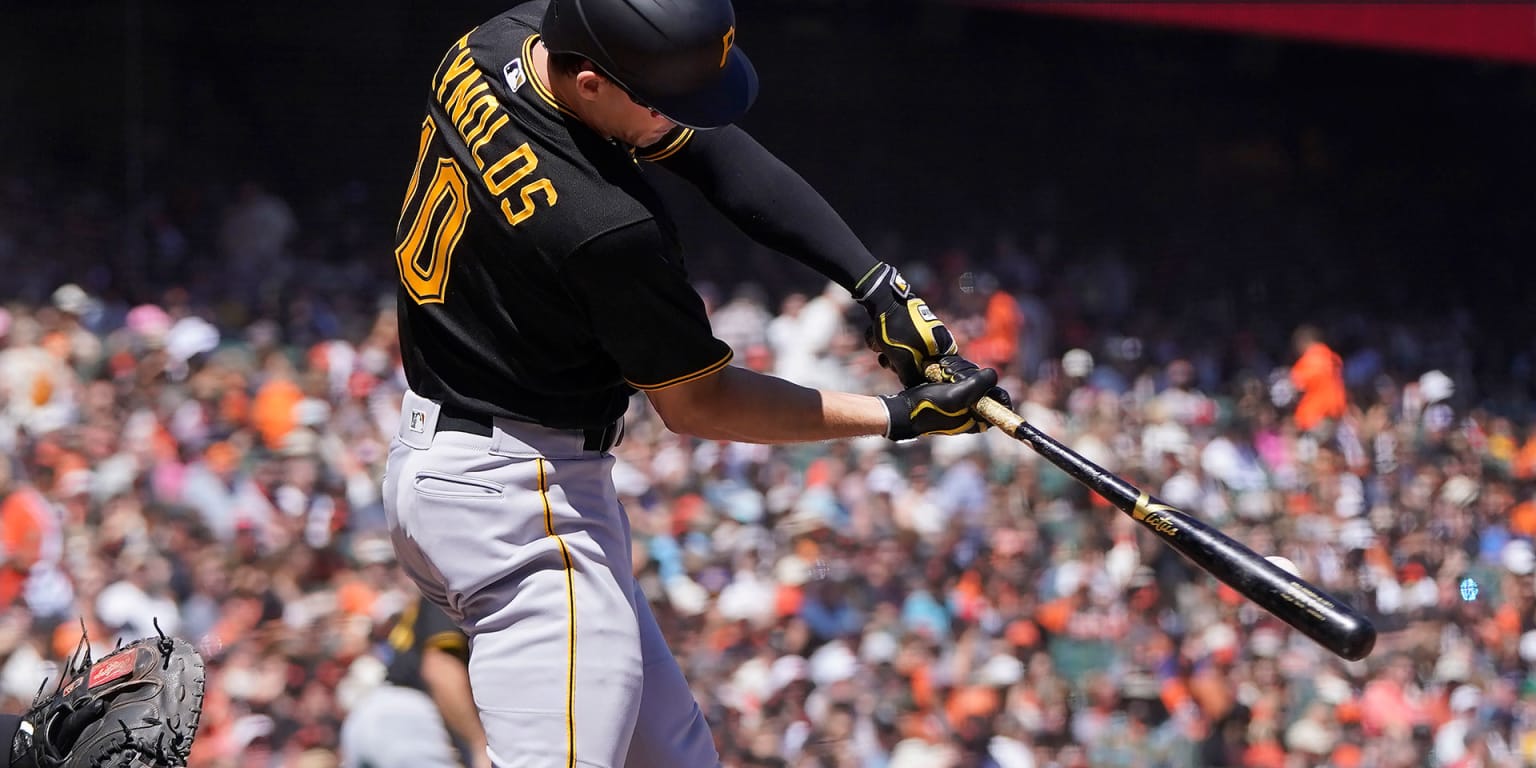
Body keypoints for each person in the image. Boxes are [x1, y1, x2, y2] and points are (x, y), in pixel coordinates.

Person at [382, 0, 1009, 765]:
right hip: (518, 504)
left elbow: (714, 154)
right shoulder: (604, 227)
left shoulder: (492, 43)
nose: (676, 119)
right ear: (588, 82)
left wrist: (875, 282)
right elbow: (697, 403)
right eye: (659, 100)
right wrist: (897, 417)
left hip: (457, 463)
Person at [340, 592, 490, 768]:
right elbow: (439, 668)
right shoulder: (455, 590)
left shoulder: (436, 589)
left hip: (373, 713)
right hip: (406, 719)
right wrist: (479, 744)